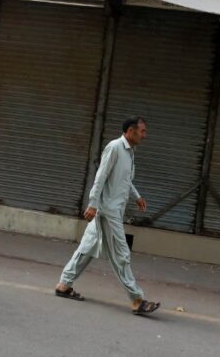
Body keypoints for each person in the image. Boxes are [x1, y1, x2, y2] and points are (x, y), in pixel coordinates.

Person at [55, 116, 161, 316]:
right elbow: (101, 176)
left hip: (113, 210)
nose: (145, 135)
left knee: (87, 247)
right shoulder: (114, 148)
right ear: (131, 131)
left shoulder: (130, 153)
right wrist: (93, 204)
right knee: (121, 253)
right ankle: (137, 299)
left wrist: (137, 196)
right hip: (107, 211)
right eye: (142, 131)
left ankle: (64, 284)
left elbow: (124, 180)